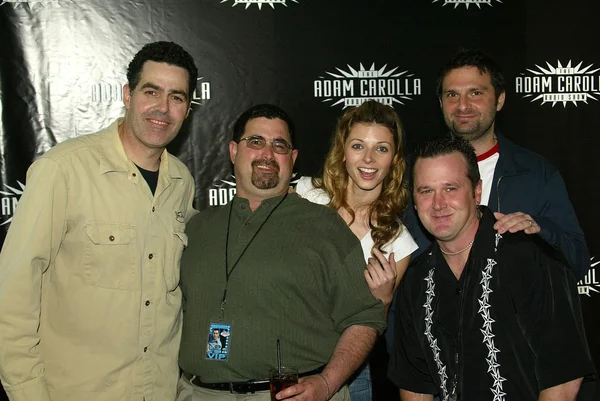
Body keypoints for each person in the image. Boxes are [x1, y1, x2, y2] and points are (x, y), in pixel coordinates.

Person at [0, 41, 198, 401]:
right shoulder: (62, 170)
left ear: (187, 109)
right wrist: (27, 392)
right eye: (151, 91)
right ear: (127, 94)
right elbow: (13, 291)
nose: (162, 108)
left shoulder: (181, 182)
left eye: (177, 97)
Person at [177, 104, 386, 401]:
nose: (267, 153)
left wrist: (327, 383)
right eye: (256, 142)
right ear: (234, 151)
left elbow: (366, 316)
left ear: (293, 158)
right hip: (199, 393)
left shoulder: (325, 227)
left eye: (279, 145)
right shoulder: (197, 228)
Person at [389, 135, 596, 400]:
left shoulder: (529, 257)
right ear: (414, 202)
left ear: (476, 191)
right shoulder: (415, 280)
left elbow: (563, 381)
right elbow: (415, 385)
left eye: (450, 188)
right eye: (426, 191)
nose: (438, 204)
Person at [405, 49, 589, 280]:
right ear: (441, 103)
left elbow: (578, 263)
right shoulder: (409, 172)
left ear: (499, 99)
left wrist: (540, 229)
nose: (463, 106)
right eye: (452, 95)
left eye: (475, 93)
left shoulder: (535, 173)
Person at [296, 100, 418, 401]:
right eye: (358, 145)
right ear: (343, 151)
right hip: (287, 358)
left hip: (350, 373)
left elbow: (371, 326)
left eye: (381, 148)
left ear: (394, 158)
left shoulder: (397, 241)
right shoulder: (305, 196)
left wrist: (384, 300)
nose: (369, 159)